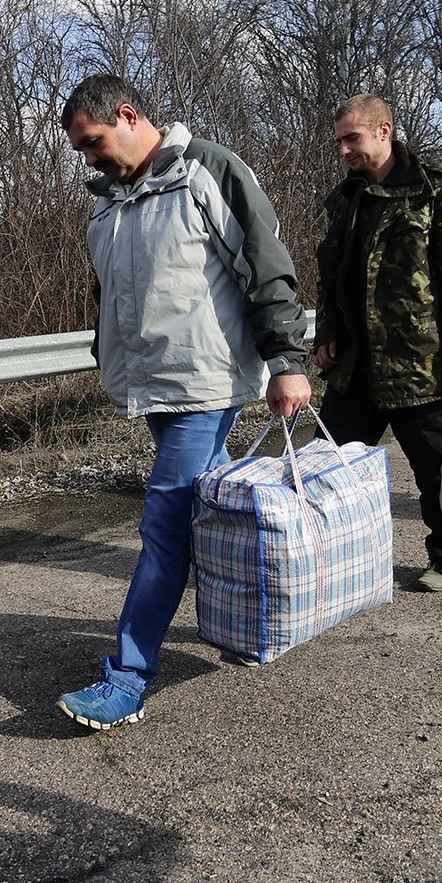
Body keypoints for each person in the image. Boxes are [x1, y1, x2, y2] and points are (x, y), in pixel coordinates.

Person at [55, 74, 311, 730]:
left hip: (208, 380)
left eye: (93, 142)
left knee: (164, 526)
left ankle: (127, 679)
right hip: (154, 386)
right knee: (212, 513)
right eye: (82, 150)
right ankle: (262, 612)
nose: (89, 158)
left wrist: (286, 361)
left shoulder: (207, 172)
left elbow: (265, 264)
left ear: (129, 115)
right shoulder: (108, 203)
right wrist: (105, 354)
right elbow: (110, 294)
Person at [312, 94, 442, 593]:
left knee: (432, 466)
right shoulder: (347, 198)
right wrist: (327, 334)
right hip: (356, 363)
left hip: (419, 358)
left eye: (353, 138)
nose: (345, 150)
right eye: (340, 141)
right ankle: (320, 555)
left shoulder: (433, 188)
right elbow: (333, 279)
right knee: (327, 465)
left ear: (384, 130)